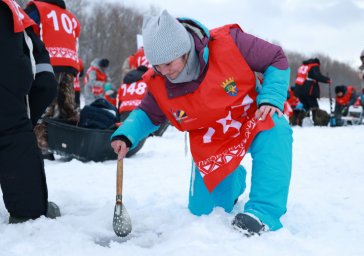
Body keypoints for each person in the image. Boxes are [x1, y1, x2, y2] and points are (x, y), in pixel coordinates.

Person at [111, 10, 292, 236]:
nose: (164, 72)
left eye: (168, 63)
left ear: (184, 50)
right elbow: (148, 113)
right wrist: (126, 135)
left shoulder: (230, 43)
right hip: (212, 139)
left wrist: (272, 98)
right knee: (203, 212)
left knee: (275, 127)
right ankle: (235, 179)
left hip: (251, 118)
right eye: (157, 66)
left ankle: (263, 212)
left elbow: (276, 58)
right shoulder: (160, 79)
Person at [0, 0, 60, 224]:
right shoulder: (13, 12)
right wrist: (26, 121)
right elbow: (45, 85)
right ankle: (27, 212)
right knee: (13, 133)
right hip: (11, 96)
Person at [25, 0, 81, 160]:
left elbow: (24, 25)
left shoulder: (38, 8)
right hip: (70, 62)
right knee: (68, 106)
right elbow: (76, 32)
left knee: (44, 105)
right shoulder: (70, 16)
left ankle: (42, 147)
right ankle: (70, 143)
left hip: (49, 62)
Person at [293, 58, 331, 122]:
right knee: (314, 106)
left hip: (298, 90)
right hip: (308, 90)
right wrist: (327, 80)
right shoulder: (314, 66)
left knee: (306, 106)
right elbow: (317, 76)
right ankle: (316, 122)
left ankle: (304, 121)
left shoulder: (302, 67)